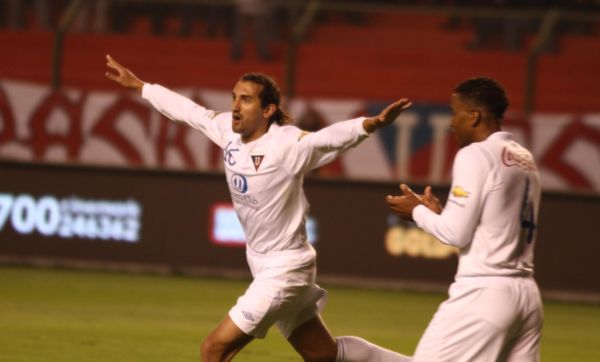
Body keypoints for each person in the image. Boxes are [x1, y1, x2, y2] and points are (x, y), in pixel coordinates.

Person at [105, 54, 412, 362]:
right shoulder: (227, 130)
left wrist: (369, 125)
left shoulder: (286, 144)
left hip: (285, 269)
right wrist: (140, 86)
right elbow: (189, 112)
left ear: (268, 110)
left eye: (246, 100)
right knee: (325, 355)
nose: (236, 106)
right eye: (235, 98)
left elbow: (325, 141)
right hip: (264, 264)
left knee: (214, 349)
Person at [386, 77, 543, 361]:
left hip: (484, 293)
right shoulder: (524, 158)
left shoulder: (475, 154)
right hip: (527, 298)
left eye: (453, 112)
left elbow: (456, 235)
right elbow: (487, 222)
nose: (450, 122)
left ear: (474, 116)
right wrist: (440, 214)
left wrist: (417, 212)